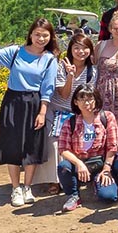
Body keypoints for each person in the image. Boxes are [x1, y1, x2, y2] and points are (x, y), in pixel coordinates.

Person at [0, 18, 59, 207]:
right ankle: (15, 188)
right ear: (30, 34)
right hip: (13, 101)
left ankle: (27, 187)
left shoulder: (49, 59)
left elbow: (48, 89)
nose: (40, 38)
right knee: (13, 145)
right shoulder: (15, 52)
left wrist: (42, 112)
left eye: (45, 35)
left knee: (31, 146)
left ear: (50, 37)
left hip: (35, 103)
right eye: (37, 34)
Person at [39, 32, 97, 192]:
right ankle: (54, 180)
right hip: (58, 110)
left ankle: (73, 175)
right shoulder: (60, 67)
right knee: (55, 143)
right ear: (70, 49)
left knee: (78, 144)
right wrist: (70, 75)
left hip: (77, 110)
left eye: (85, 48)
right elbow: (64, 94)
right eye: (77, 48)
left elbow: (88, 96)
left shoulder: (92, 70)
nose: (81, 51)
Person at [56, 85, 118, 211]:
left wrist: (106, 169)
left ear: (96, 100)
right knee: (64, 167)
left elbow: (113, 146)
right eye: (82, 99)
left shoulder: (106, 117)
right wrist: (79, 163)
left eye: (90, 99)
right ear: (76, 102)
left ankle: (100, 183)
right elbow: (63, 149)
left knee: (109, 197)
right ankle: (73, 195)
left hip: (101, 163)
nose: (87, 103)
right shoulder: (70, 122)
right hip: (80, 163)